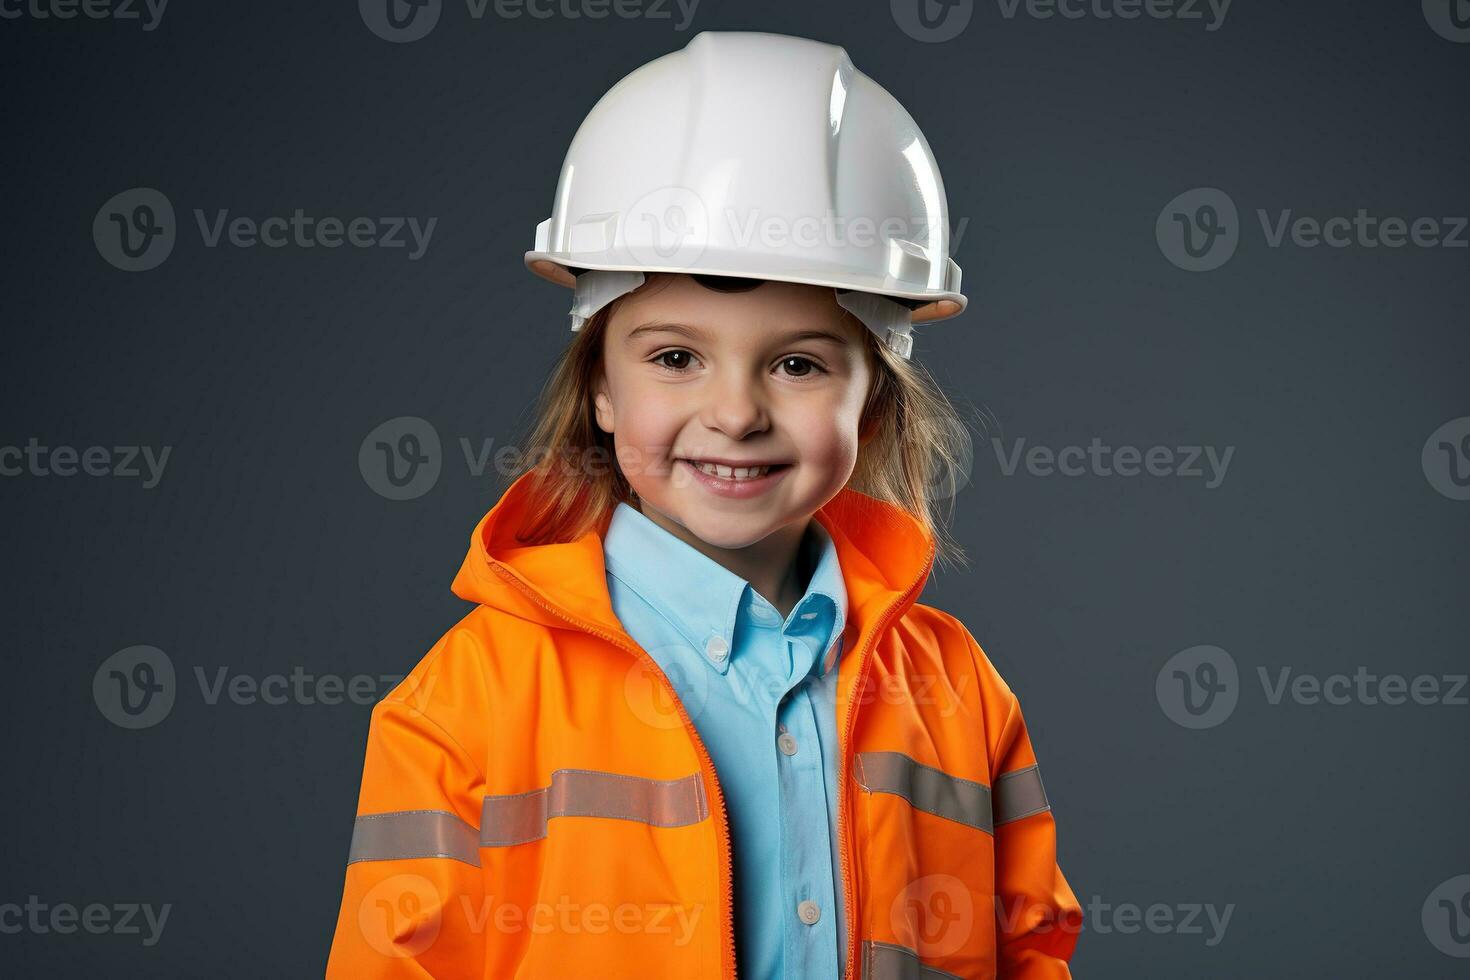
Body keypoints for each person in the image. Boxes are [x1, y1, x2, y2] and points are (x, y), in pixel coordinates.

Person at [326, 30, 1081, 979]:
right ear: (600, 389)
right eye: (676, 357)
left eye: (799, 363)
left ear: (875, 404)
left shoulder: (958, 691)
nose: (734, 414)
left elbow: (1029, 951)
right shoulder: (468, 697)